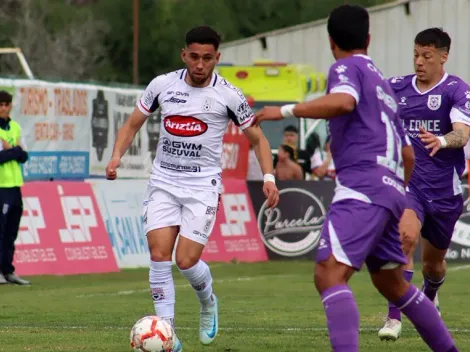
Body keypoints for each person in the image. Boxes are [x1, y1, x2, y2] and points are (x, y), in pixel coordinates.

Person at [255, 5, 459, 352]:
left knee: (329, 275)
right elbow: (408, 154)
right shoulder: (381, 82)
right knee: (393, 284)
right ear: (368, 39)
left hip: (363, 187)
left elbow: (344, 102)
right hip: (393, 188)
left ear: (331, 41)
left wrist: (284, 110)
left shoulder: (346, 67)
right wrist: (398, 192)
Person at [105, 25, 279, 351]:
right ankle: (168, 337)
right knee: (159, 256)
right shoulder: (162, 85)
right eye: (194, 57)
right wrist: (116, 156)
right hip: (163, 182)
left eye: (207, 58)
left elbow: (258, 140)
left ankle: (208, 301)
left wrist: (269, 178)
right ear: (184, 54)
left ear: (218, 58)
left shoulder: (228, 95)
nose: (200, 65)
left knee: (185, 260)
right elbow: (131, 124)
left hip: (202, 186)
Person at [378, 27, 470, 341]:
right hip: (410, 185)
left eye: (427, 56)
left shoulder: (456, 90)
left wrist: (442, 140)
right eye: (416, 54)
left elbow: (462, 134)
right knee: (405, 237)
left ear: (443, 56)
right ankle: (393, 318)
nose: (419, 61)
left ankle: (429, 296)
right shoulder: (396, 87)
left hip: (444, 191)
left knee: (434, 265)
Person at [0, 90, 30, 285]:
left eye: (6, 104)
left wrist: (11, 150)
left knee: (11, 231)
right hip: (1, 186)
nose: (3, 108)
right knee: (0, 231)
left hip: (15, 186)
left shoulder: (15, 127)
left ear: (10, 106)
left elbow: (24, 155)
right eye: (0, 105)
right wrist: (15, 151)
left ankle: (8, 271)